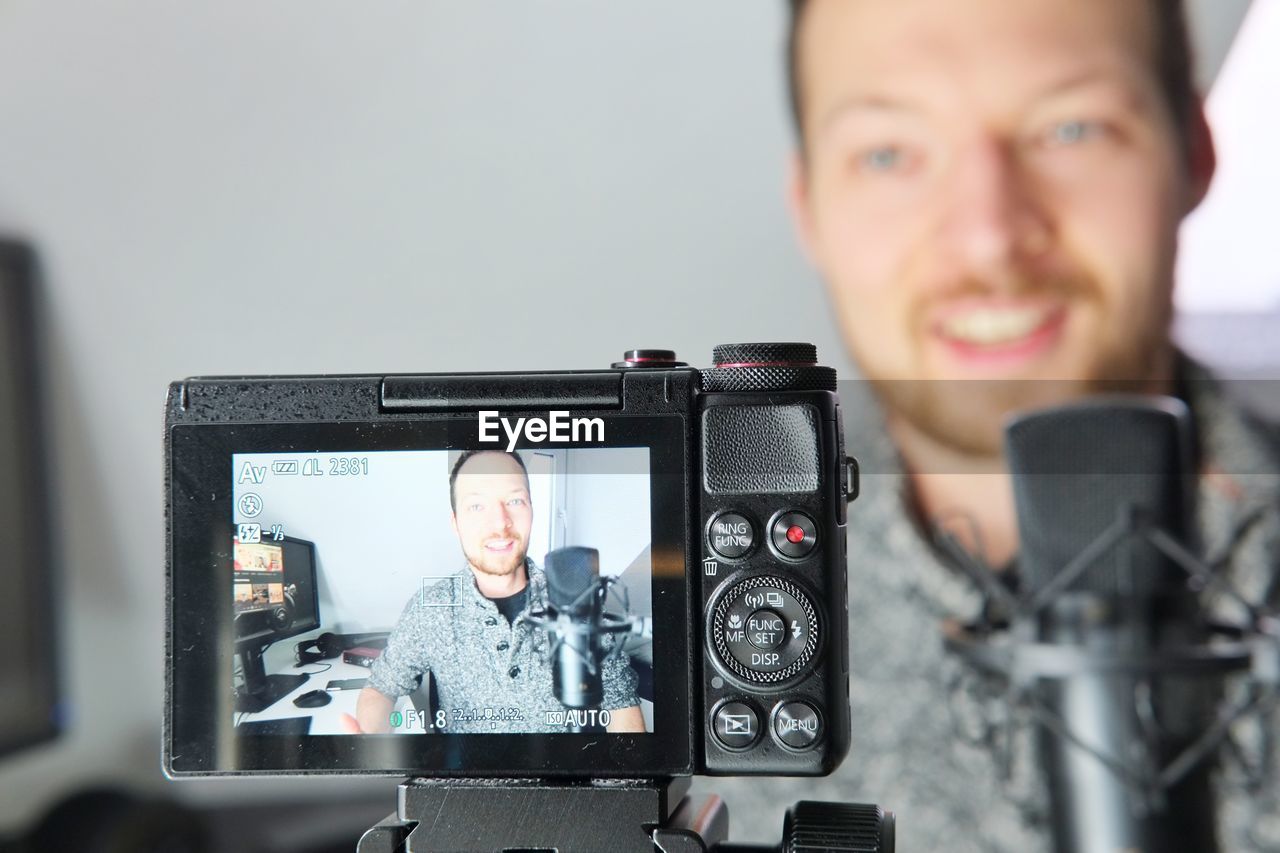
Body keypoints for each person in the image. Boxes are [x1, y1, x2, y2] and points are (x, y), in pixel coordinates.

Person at [707, 1, 1280, 850]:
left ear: (1194, 153)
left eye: (1072, 128)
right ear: (809, 204)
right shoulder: (646, 652)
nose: (989, 237)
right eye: (890, 152)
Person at [340, 449, 645, 734]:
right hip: (462, 788)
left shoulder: (576, 599)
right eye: (476, 506)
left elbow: (622, 705)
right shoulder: (429, 607)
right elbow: (381, 687)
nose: (500, 522)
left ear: (531, 511)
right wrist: (375, 745)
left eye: (514, 501)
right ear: (456, 523)